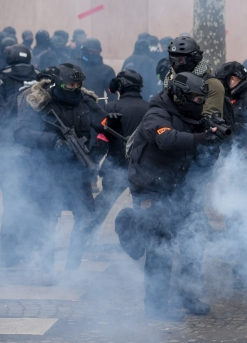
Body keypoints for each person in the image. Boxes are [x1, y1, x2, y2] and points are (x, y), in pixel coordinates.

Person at [126, 72, 225, 320]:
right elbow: (167, 139)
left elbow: (204, 161)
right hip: (151, 187)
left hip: (177, 187)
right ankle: (156, 306)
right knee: (161, 245)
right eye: (194, 97)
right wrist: (203, 137)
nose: (199, 102)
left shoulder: (192, 116)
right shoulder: (157, 114)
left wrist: (214, 141)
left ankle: (187, 295)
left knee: (195, 237)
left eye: (202, 98)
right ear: (180, 96)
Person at [13, 63, 107, 276]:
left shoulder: (85, 102)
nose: (74, 87)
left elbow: (103, 123)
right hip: (48, 170)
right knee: (47, 218)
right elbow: (21, 133)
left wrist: (115, 121)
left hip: (78, 171)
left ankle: (72, 268)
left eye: (78, 84)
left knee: (85, 217)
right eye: (70, 84)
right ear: (59, 83)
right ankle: (47, 268)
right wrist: (52, 141)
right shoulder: (40, 103)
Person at [86, 70, 150, 243]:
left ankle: (85, 238)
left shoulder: (111, 108)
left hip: (116, 167)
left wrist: (92, 165)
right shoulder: (150, 108)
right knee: (142, 207)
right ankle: (142, 241)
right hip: (142, 169)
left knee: (102, 204)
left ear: (120, 86)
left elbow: (101, 141)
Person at [0, 45, 38, 268]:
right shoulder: (39, 78)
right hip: (34, 149)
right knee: (34, 202)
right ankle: (32, 248)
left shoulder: (2, 80)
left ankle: (10, 253)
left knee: (14, 202)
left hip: (8, 149)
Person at [163, 35, 224, 117]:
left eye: (180, 60)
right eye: (172, 60)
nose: (175, 65)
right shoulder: (170, 79)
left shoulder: (212, 85)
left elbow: (209, 121)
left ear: (195, 58)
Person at [214, 61, 247, 130]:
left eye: (222, 82)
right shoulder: (232, 96)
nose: (221, 86)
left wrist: (230, 127)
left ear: (233, 79)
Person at [69, 38, 116, 104]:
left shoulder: (107, 70)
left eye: (94, 51)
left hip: (97, 109)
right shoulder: (71, 66)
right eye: (89, 51)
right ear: (83, 50)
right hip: (74, 107)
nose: (91, 54)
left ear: (99, 51)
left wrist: (111, 110)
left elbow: (112, 94)